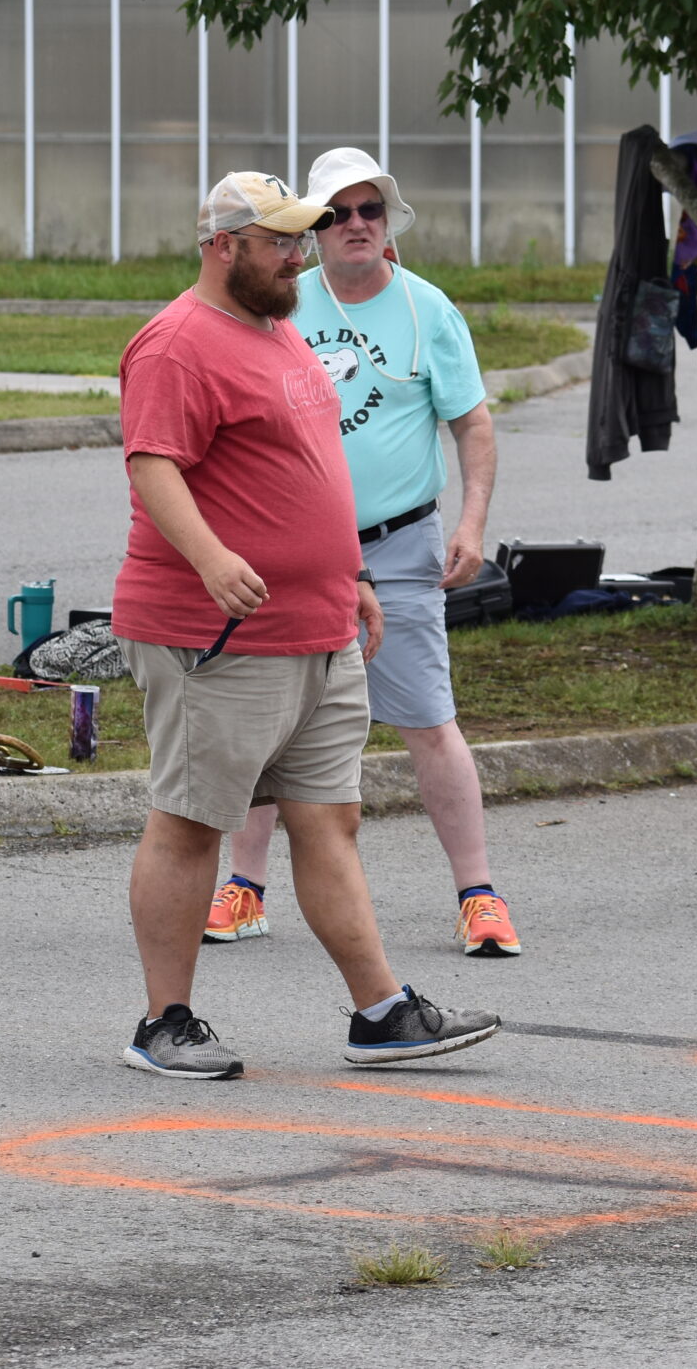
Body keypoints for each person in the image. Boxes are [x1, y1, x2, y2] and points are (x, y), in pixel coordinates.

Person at [111, 172, 503, 1079]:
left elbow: (314, 465)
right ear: (223, 246)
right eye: (281, 240)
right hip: (215, 634)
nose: (300, 253)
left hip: (319, 626)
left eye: (302, 237)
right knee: (191, 822)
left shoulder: (280, 328)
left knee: (330, 822)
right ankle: (163, 1021)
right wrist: (211, 559)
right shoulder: (175, 343)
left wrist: (352, 573)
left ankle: (381, 1011)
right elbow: (153, 464)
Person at [202, 147, 520, 958]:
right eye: (334, 213)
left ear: (388, 222)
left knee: (428, 719)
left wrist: (472, 523)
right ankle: (244, 886)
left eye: (367, 210)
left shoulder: (428, 310)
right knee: (269, 722)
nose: (353, 225)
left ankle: (479, 895)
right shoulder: (279, 302)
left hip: (401, 544)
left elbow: (472, 424)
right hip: (287, 548)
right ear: (311, 228)